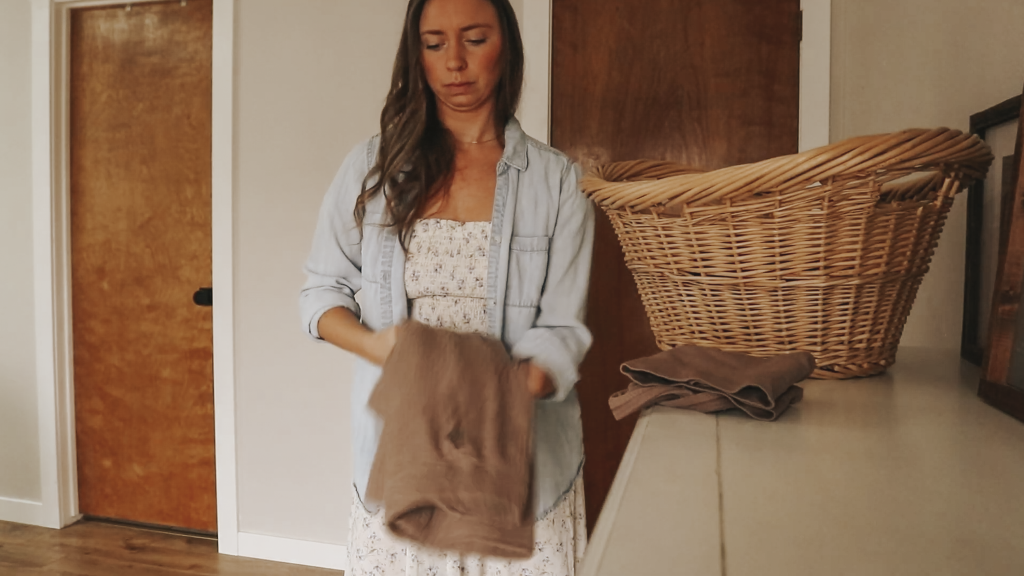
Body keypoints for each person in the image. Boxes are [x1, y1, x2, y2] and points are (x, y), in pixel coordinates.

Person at [299, 0, 594, 573]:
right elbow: (320, 296)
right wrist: (384, 349)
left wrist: (491, 397)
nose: (454, 62)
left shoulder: (557, 181)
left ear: (506, 45)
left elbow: (562, 328)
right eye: (434, 44)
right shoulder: (372, 169)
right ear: (417, 55)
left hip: (521, 461)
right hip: (402, 455)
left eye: (474, 39)